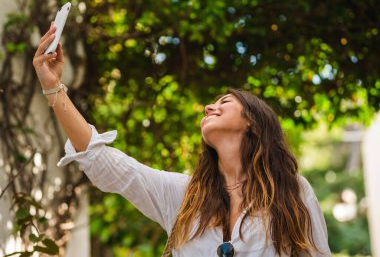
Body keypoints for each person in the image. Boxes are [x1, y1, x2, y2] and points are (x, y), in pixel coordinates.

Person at [33, 23, 331, 257]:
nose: (209, 107)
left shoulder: (293, 192)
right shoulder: (183, 196)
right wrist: (53, 87)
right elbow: (104, 161)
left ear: (252, 121)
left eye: (224, 102)